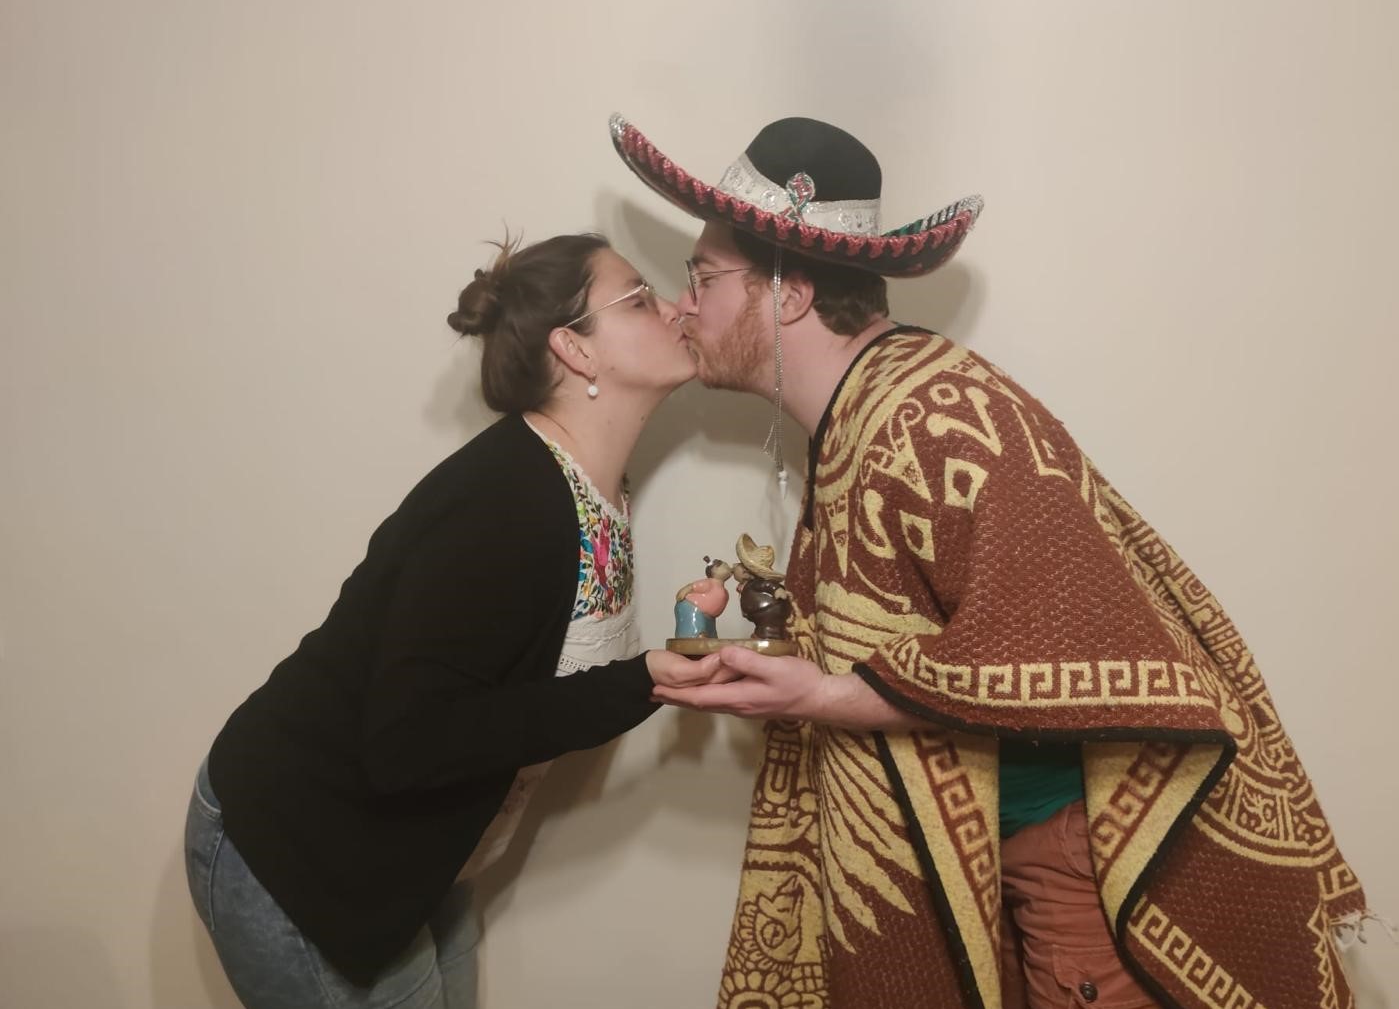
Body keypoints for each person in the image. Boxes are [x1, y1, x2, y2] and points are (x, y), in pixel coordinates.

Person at [610, 113, 1373, 1009]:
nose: (683, 304)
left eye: (703, 276)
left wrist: (820, 696)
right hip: (1009, 859)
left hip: (1086, 876)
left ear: (789, 293)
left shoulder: (934, 415)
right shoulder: (870, 409)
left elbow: (1071, 641)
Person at [183, 231, 713, 1008]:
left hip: (414, 860)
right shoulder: (502, 501)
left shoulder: (591, 485)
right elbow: (407, 741)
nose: (672, 309)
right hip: (304, 855)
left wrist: (664, 666)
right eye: (638, 299)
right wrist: (638, 684)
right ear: (574, 349)